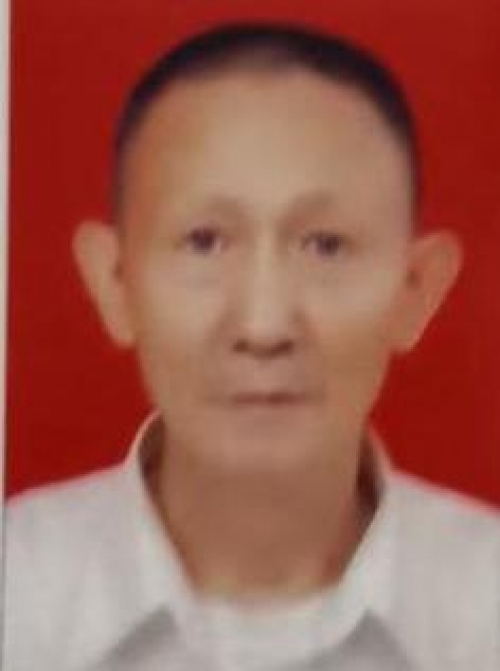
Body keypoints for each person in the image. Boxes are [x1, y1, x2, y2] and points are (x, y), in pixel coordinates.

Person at [4, 22, 500, 671]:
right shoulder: (20, 588)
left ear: (416, 288)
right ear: (116, 281)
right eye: (205, 241)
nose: (263, 326)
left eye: (326, 245)